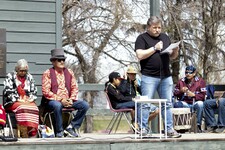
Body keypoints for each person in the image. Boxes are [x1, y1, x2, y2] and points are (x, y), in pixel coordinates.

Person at [134, 16, 181, 138]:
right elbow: (139, 55)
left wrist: (175, 50)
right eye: (154, 28)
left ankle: (169, 129)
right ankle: (143, 129)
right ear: (148, 27)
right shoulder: (142, 38)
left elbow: (172, 56)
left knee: (167, 103)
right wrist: (154, 48)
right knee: (145, 103)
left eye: (159, 27)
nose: (157, 30)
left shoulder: (165, 37)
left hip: (166, 76)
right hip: (149, 76)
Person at [41, 48, 89, 138]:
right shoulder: (47, 73)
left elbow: (75, 87)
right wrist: (61, 100)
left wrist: (71, 99)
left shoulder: (69, 72)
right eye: (59, 60)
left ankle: (71, 127)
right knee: (57, 105)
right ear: (53, 61)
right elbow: (45, 91)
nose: (62, 62)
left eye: (63, 60)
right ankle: (59, 131)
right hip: (53, 101)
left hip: (68, 100)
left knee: (84, 105)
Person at [3, 59, 39, 138]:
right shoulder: (10, 76)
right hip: (13, 101)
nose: (23, 72)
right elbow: (8, 91)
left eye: (25, 71)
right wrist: (18, 99)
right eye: (21, 71)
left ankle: (32, 131)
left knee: (35, 108)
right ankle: (23, 131)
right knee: (22, 107)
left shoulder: (29, 77)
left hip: (26, 100)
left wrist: (30, 98)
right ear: (17, 69)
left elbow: (34, 91)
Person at [174, 65, 206, 132]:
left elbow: (203, 95)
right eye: (186, 72)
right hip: (185, 103)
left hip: (195, 103)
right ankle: (181, 127)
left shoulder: (200, 81)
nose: (188, 74)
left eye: (190, 73)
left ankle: (198, 125)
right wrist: (181, 91)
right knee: (177, 104)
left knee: (200, 104)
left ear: (194, 73)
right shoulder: (181, 81)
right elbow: (175, 93)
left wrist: (194, 95)